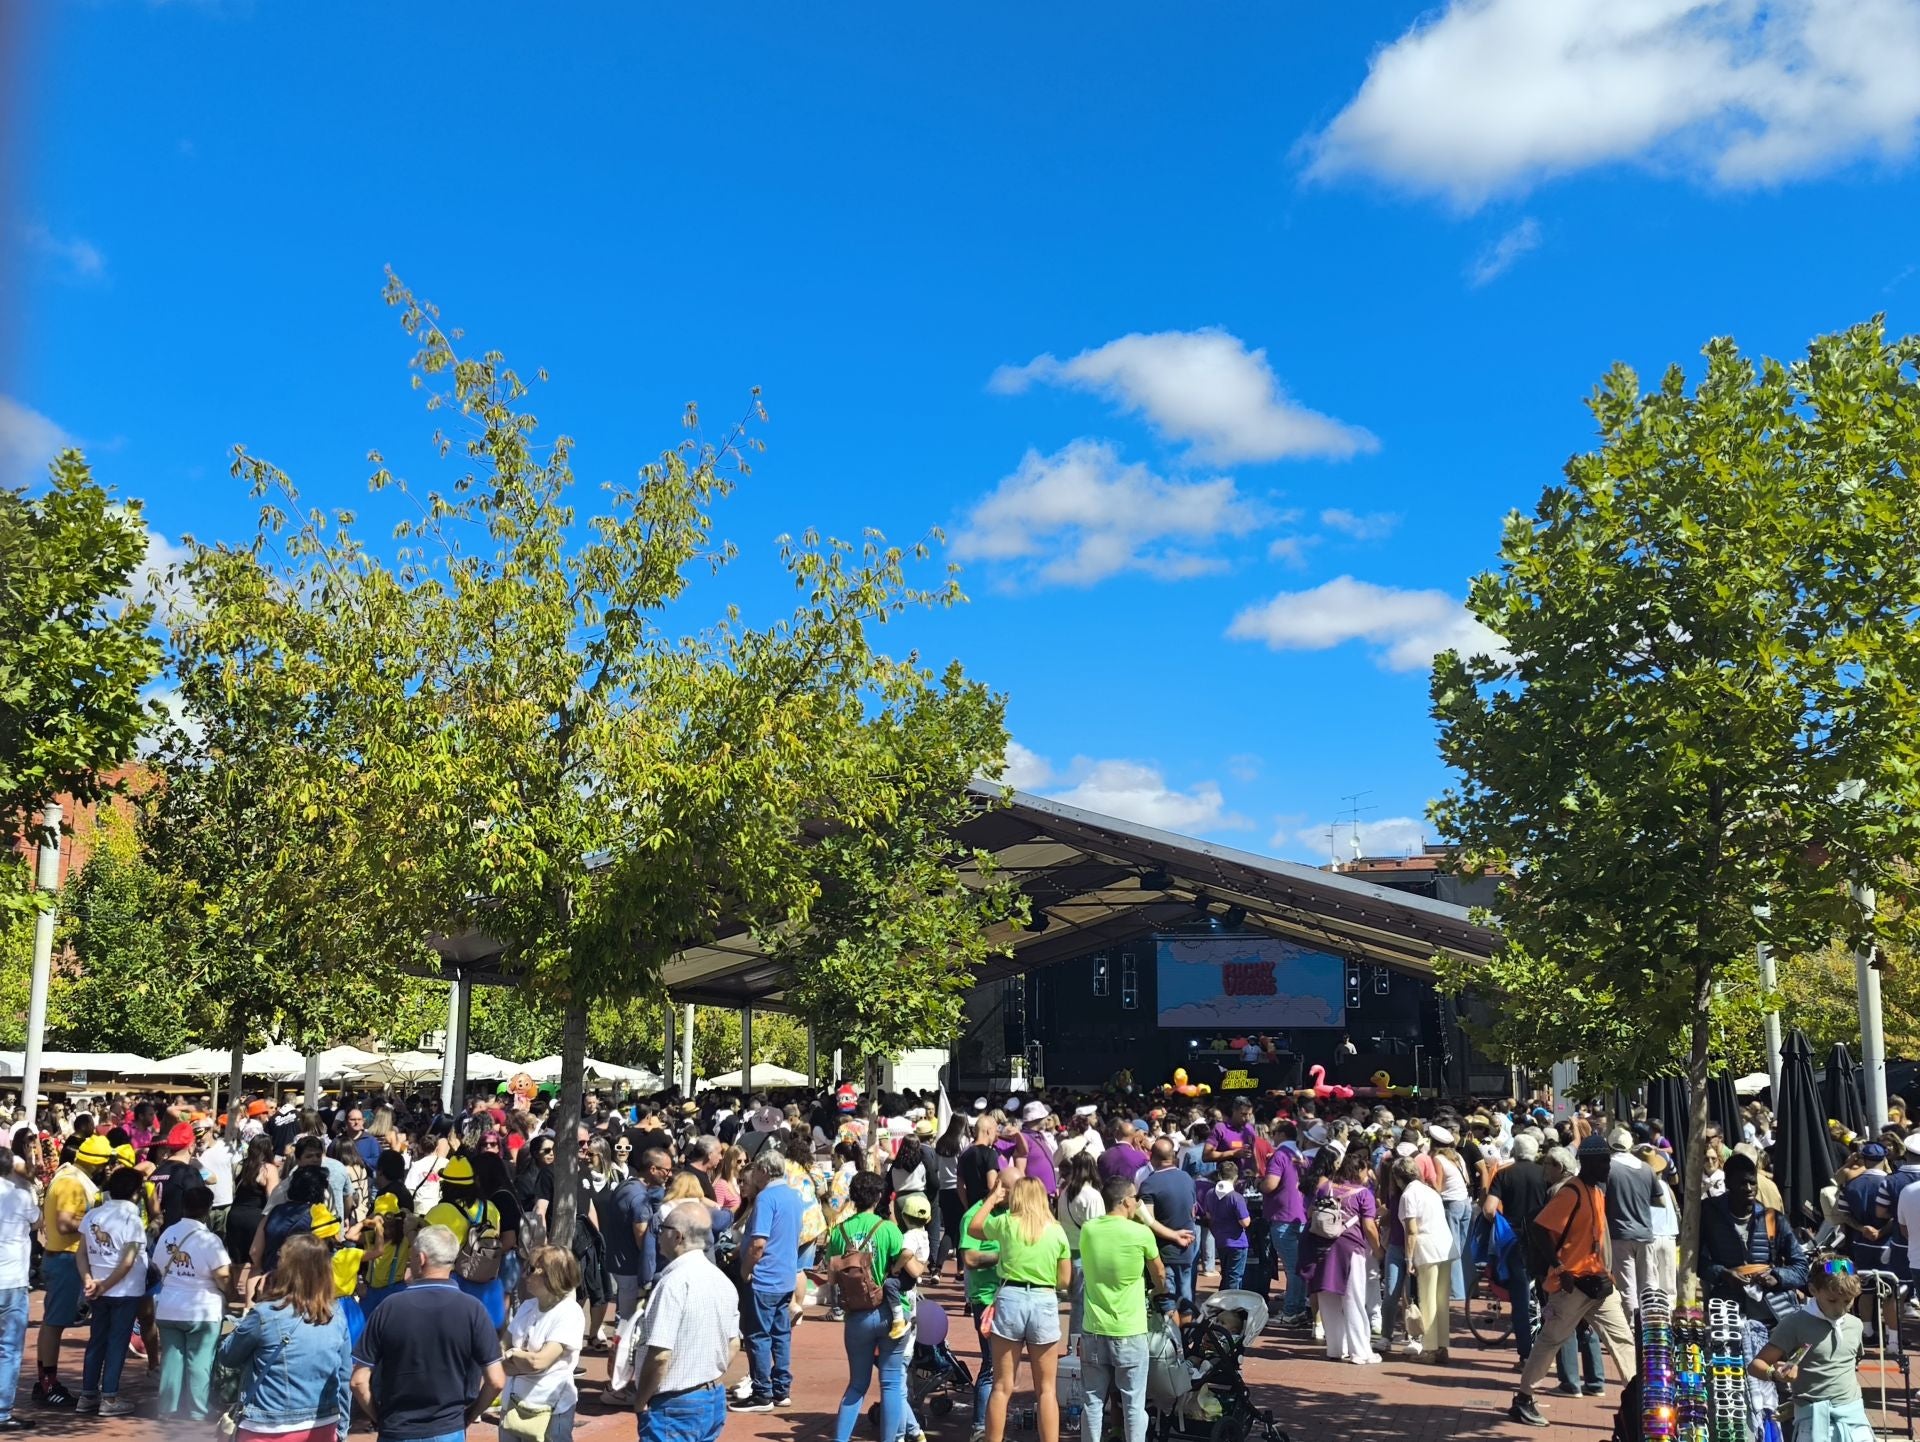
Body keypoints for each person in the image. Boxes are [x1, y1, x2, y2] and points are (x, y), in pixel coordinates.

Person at [1509, 1141, 1638, 1428]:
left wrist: (1607, 1271)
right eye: (1603, 1161)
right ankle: (1523, 1399)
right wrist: (1558, 1266)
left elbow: (1596, 1239)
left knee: (1623, 1340)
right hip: (1572, 1285)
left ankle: (1638, 1398)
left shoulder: (1597, 1192)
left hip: (1599, 1284)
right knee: (1550, 1340)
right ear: (1587, 1163)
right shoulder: (1572, 1192)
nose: (1607, 1166)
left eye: (1608, 1161)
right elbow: (1540, 1228)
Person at [351, 1223, 505, 1442]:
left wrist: (380, 1418)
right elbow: (496, 1380)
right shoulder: (474, 1309)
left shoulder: (388, 1307)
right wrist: (469, 1416)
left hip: (397, 1429)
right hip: (449, 1430)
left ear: (421, 1258)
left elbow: (358, 1380)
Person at [1699, 1149, 1809, 1434]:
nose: (1748, 1189)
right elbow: (1697, 1261)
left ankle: (1782, 1434)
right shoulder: (1709, 1214)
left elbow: (1801, 1267)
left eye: (1752, 1182)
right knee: (1732, 1382)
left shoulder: (1773, 1218)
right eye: (1741, 1183)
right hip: (1729, 1312)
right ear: (1728, 1184)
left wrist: (1778, 1276)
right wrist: (1723, 1274)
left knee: (1781, 1383)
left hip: (1774, 1315)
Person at [218, 1233, 353, 1442]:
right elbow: (344, 1376)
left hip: (267, 1425)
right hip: (322, 1424)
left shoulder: (265, 1313)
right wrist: (342, 1429)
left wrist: (251, 1308)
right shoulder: (336, 1314)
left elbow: (228, 1356)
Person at [632, 1199, 740, 1442]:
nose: (658, 1235)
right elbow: (733, 1344)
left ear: (678, 1237)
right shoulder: (722, 1281)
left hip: (675, 1403)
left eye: (662, 1230)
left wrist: (641, 1399)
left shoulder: (673, 1284)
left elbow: (660, 1355)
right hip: (710, 1397)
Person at [824, 1172, 916, 1442]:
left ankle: (840, 1438)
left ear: (852, 1197)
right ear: (878, 1197)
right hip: (890, 1312)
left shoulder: (839, 1232)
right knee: (890, 1383)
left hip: (857, 1315)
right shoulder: (888, 1229)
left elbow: (831, 1276)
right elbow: (908, 1267)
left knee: (857, 1384)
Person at [1077, 1178, 1167, 1442]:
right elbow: (1159, 1272)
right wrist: (1157, 1291)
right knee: (1133, 1403)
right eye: (1135, 1198)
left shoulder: (1089, 1230)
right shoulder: (1140, 1234)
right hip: (1129, 1330)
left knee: (1092, 1402)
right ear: (1127, 1201)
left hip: (1094, 1329)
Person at [1749, 1261, 1869, 1442]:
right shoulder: (1794, 1324)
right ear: (1813, 1290)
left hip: (1854, 1418)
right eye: (1832, 1300)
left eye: (1847, 1301)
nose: (1839, 1309)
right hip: (1813, 1421)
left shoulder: (1855, 1325)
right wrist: (1775, 1374)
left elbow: (1844, 1369)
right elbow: (1755, 1365)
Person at [35, 1131, 110, 1407]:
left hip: (64, 1257)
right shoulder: (72, 1184)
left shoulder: (71, 1178)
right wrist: (96, 1222)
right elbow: (66, 1222)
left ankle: (46, 1379)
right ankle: (48, 1383)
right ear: (97, 1163)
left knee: (52, 1322)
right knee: (55, 1323)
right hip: (65, 1258)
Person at [154, 1183, 232, 1422]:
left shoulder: (168, 1233)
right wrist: (228, 1294)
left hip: (169, 1306)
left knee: (171, 1359)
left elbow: (157, 1265)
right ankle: (198, 1410)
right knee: (199, 1360)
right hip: (203, 1310)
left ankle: (166, 1408)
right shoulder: (210, 1240)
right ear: (208, 1209)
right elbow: (223, 1276)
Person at [76, 1165, 148, 1416]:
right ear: (136, 1193)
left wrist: (89, 1279)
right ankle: (109, 1397)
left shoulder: (93, 1215)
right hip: (123, 1291)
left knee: (96, 1341)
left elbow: (81, 1253)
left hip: (98, 1289)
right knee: (116, 1342)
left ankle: (87, 1394)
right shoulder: (132, 1219)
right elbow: (127, 1262)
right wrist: (102, 1284)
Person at [1299, 1146, 1380, 1365]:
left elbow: (1309, 1214)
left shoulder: (1325, 1187)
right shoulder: (1364, 1194)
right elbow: (1369, 1227)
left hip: (1322, 1248)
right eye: (1365, 1171)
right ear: (1358, 1171)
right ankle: (1360, 1351)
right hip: (1351, 1249)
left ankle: (1335, 1348)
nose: (1367, 1175)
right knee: (1354, 1299)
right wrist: (1379, 1250)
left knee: (1328, 1298)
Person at [733, 1150, 801, 1411]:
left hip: (765, 1276)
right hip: (784, 1275)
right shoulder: (793, 1196)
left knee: (758, 1335)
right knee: (780, 1333)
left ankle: (762, 1392)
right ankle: (781, 1389)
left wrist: (746, 1269)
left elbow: (759, 1243)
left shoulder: (766, 1198)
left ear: (763, 1171)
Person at [500, 1246, 585, 1442]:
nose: (524, 1275)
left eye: (530, 1269)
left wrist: (513, 1355)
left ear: (551, 1275)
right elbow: (500, 1348)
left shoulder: (569, 1313)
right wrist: (518, 1359)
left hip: (549, 1409)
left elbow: (539, 1361)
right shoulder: (527, 1306)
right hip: (513, 1405)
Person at [423, 1154, 510, 1331]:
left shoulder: (440, 1212)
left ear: (445, 1185)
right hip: (489, 1284)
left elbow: (424, 1247)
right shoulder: (491, 1208)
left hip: (457, 1284)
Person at [1483, 1132, 1549, 1364]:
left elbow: (1489, 1209)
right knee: (1547, 1298)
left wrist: (1501, 1225)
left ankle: (1525, 1354)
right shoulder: (1545, 1174)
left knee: (1520, 1301)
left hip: (1515, 1242)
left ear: (1515, 1153)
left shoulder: (1504, 1175)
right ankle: (1547, 1352)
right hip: (1543, 1241)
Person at [958, 1183, 1003, 1442]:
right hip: (985, 1299)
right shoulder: (974, 1216)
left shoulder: (1008, 1215)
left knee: (1002, 1367)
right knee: (991, 1365)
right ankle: (980, 1427)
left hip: (1008, 1297)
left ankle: (993, 1425)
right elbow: (971, 1259)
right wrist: (1004, 1256)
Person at [1396, 1153, 1450, 1363]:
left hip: (1427, 1249)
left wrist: (1409, 1259)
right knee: (1441, 1300)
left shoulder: (1409, 1195)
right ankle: (1442, 1346)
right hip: (1444, 1247)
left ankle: (1429, 1349)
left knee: (1427, 1300)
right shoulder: (1430, 1191)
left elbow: (1411, 1230)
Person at [0, 1139, 38, 1433]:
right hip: (12, 1281)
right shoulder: (21, 1196)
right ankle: (1, 1412)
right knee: (9, 1348)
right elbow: (37, 1222)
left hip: (12, 1279)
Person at [1135, 1140, 1199, 1311]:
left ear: (1152, 1157)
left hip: (1164, 1249)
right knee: (1185, 1295)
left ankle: (1172, 1336)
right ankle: (1186, 1334)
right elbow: (1192, 1210)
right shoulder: (1187, 1178)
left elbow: (1148, 1220)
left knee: (1167, 1297)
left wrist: (1173, 1235)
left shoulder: (1150, 1183)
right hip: (1188, 1246)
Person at [1604, 1126, 1656, 1319]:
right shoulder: (1646, 1168)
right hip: (1645, 1233)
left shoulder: (1608, 1168)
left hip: (1620, 1235)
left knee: (1628, 1287)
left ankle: (1634, 1329)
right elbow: (1657, 1198)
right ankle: (1651, 1326)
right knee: (1648, 1284)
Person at [1262, 1117, 1310, 1327]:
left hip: (1283, 1217)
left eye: (1274, 1133)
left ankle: (1292, 1311)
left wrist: (1258, 1182)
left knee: (1292, 1268)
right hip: (1301, 1214)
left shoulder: (1280, 1155)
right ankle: (1299, 1307)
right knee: (1299, 1266)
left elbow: (1270, 1184)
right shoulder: (1300, 1155)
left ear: (1281, 1135)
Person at [888, 1192, 933, 1340]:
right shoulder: (923, 1234)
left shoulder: (910, 1235)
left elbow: (907, 1253)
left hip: (906, 1276)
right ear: (928, 1219)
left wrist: (897, 1267)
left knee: (889, 1285)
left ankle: (898, 1318)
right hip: (913, 1279)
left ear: (905, 1217)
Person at [1202, 1161, 1251, 1290]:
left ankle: (1223, 1303)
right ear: (1235, 1177)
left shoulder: (1210, 1194)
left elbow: (1208, 1215)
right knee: (1234, 1276)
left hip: (1221, 1241)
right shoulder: (1236, 1197)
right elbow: (1245, 1222)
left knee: (1226, 1275)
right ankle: (1232, 1305)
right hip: (1237, 1242)